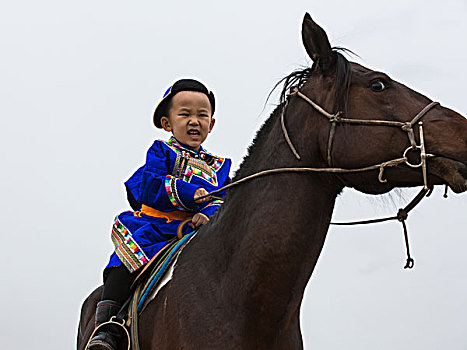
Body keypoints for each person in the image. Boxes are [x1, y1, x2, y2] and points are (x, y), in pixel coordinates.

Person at [87, 79, 231, 350]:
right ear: (168, 123)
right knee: (126, 259)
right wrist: (192, 193)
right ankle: (106, 328)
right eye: (185, 114)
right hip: (155, 227)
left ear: (211, 124)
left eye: (202, 115)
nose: (194, 121)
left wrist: (209, 212)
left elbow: (224, 197)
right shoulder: (161, 151)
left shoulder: (221, 166)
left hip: (195, 231)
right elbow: (151, 185)